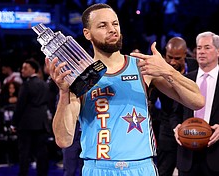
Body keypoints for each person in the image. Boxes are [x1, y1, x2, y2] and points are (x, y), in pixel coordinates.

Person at [46, 3, 204, 176]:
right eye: (102, 25)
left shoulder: (142, 66)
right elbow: (63, 140)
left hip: (141, 167)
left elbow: (197, 101)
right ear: (87, 33)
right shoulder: (80, 78)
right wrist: (63, 93)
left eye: (115, 24)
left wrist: (168, 70)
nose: (112, 29)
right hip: (98, 168)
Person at [172, 31, 219, 176]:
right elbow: (174, 114)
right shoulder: (184, 80)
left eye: (207, 47)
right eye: (199, 48)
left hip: (218, 158)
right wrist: (176, 127)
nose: (201, 52)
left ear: (218, 51)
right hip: (187, 158)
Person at [149, 37, 197, 176]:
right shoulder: (158, 70)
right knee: (164, 170)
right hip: (167, 127)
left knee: (188, 169)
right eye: (169, 57)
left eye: (178, 58)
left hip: (191, 125)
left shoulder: (195, 67)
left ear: (185, 55)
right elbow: (150, 100)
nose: (172, 62)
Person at [11, 59, 50, 176]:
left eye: (25, 68)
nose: (22, 70)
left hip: (26, 123)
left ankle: (23, 174)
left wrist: (14, 123)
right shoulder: (44, 84)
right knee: (41, 152)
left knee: (24, 152)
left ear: (33, 69)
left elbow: (20, 106)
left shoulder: (26, 85)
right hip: (42, 122)